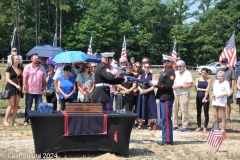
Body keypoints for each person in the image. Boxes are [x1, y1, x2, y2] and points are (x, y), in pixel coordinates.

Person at [154, 54, 175, 145]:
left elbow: (168, 86)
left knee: (166, 119)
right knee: (164, 119)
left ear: (169, 63)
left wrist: (158, 85)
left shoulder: (170, 72)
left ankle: (167, 140)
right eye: (163, 62)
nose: (163, 63)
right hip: (162, 97)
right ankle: (165, 138)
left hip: (167, 97)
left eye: (165, 62)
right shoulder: (165, 72)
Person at [23, 53, 46, 126]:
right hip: (30, 90)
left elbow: (44, 79)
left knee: (38, 106)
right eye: (35, 58)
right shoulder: (28, 67)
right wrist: (24, 86)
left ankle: (36, 121)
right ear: (31, 59)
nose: (37, 60)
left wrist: (44, 88)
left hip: (39, 91)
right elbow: (24, 77)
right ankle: (26, 120)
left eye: (37, 58)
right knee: (28, 105)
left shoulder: (42, 68)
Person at [172, 60, 193, 132]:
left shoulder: (188, 73)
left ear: (184, 66)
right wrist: (173, 86)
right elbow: (171, 82)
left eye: (180, 66)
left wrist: (180, 86)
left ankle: (185, 126)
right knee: (174, 110)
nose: (178, 68)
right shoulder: (175, 73)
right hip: (175, 93)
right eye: (177, 66)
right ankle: (175, 125)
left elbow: (190, 85)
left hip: (184, 93)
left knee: (184, 110)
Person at [3, 55, 23, 126]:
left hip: (19, 88)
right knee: (11, 104)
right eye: (16, 59)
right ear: (13, 60)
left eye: (18, 59)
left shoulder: (21, 68)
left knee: (16, 105)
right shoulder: (9, 68)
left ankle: (13, 121)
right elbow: (7, 79)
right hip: (11, 87)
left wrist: (22, 86)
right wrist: (16, 85)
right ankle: (5, 120)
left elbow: (23, 78)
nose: (18, 60)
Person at [136, 62, 157, 130]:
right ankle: (141, 123)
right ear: (143, 68)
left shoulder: (152, 75)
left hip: (149, 94)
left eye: (148, 67)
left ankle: (148, 124)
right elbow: (138, 85)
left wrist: (147, 90)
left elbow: (154, 86)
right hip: (141, 94)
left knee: (149, 108)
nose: (147, 68)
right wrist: (140, 90)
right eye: (145, 67)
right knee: (141, 107)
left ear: (150, 68)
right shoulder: (140, 75)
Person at [195, 68, 212, 132]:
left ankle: (205, 127)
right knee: (198, 112)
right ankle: (199, 126)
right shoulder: (197, 79)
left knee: (206, 112)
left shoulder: (209, 80)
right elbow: (196, 88)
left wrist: (205, 98)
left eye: (204, 73)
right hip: (198, 97)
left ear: (207, 73)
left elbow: (208, 89)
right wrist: (204, 89)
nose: (203, 74)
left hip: (205, 97)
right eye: (202, 72)